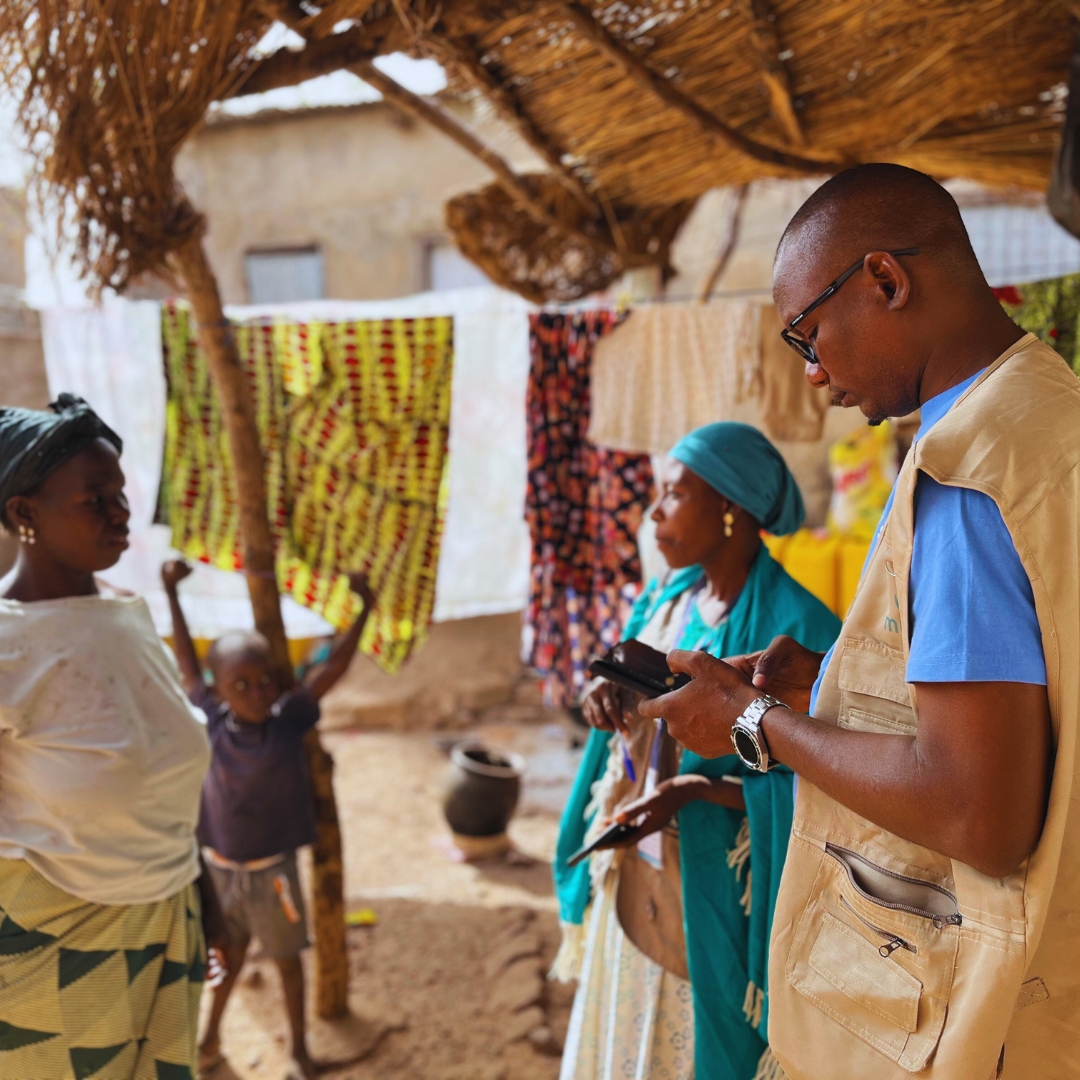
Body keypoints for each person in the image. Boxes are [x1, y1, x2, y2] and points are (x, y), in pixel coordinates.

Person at [641, 164, 1080, 1080]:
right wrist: (839, 687)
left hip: (983, 1008)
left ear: (885, 280)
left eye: (807, 329)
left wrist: (754, 724)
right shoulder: (1050, 412)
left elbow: (979, 809)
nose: (811, 370)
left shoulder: (964, 473)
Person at [554, 422, 841, 1080]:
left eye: (674, 494)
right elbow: (637, 698)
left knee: (693, 1046)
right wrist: (609, 693)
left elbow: (825, 786)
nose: (654, 511)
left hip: (713, 899)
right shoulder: (669, 595)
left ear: (731, 508)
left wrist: (695, 792)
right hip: (635, 875)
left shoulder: (797, 633)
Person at [0, 395, 220, 1079]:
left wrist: (210, 903)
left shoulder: (128, 619)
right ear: (23, 515)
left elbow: (168, 788)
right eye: (95, 499)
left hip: (169, 925)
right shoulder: (8, 645)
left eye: (121, 492)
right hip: (53, 947)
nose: (122, 512)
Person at [163, 559, 376, 1080]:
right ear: (219, 689)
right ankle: (210, 1039)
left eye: (265, 681)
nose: (258, 692)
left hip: (273, 872)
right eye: (242, 684)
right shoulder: (211, 718)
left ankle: (299, 1052)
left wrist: (364, 609)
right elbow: (189, 664)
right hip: (217, 871)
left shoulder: (287, 721)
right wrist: (172, 595)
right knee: (225, 959)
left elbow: (333, 670)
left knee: (286, 960)